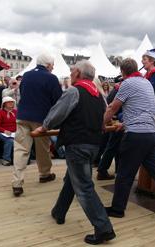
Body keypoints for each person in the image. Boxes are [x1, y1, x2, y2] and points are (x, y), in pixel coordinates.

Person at [34, 60, 115, 245]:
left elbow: (57, 114)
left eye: (72, 72)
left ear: (78, 73)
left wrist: (44, 126)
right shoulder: (99, 94)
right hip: (94, 144)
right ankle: (59, 212)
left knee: (84, 188)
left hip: (77, 144)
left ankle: (104, 228)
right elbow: (103, 118)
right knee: (73, 179)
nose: (70, 75)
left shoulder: (74, 91)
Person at [104, 58, 155, 221]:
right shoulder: (145, 82)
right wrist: (125, 122)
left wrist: (103, 124)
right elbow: (141, 108)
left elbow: (113, 107)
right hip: (151, 133)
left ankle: (118, 208)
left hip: (136, 135)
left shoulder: (128, 84)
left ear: (122, 72)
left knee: (124, 173)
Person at [12, 53, 63, 197]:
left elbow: (23, 93)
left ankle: (17, 183)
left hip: (22, 116)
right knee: (43, 149)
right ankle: (44, 174)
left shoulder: (26, 75)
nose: (53, 68)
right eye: (52, 65)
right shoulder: (51, 78)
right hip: (40, 119)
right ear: (48, 65)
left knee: (20, 150)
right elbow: (58, 101)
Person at [0, 97, 17, 166]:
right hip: (2, 132)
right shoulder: (0, 112)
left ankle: (20, 158)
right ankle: (6, 159)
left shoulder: (15, 112)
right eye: (9, 102)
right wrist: (4, 131)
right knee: (9, 141)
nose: (11, 103)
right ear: (4, 104)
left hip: (14, 132)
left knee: (23, 138)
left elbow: (19, 123)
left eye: (12, 102)